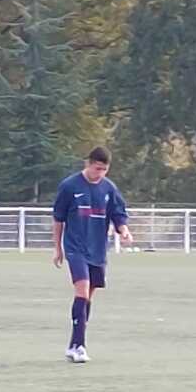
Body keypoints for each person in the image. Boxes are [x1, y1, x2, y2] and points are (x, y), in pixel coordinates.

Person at [53, 146, 133, 363]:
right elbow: (58, 219)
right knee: (82, 289)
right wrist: (58, 248)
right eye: (97, 168)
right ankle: (80, 346)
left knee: (88, 297)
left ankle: (73, 344)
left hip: (97, 249)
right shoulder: (69, 186)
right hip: (75, 247)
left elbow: (118, 214)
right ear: (87, 164)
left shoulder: (109, 188)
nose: (100, 173)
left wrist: (124, 230)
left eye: (104, 170)